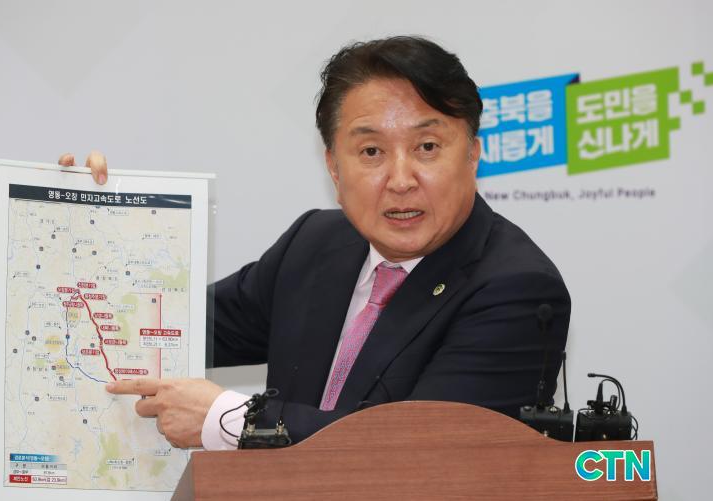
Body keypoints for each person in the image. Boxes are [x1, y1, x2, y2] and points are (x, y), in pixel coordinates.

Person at [61, 36, 570, 449]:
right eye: (371, 151)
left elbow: (420, 450)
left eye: (427, 146)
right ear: (333, 167)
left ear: (473, 154)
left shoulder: (517, 289)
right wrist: (80, 226)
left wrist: (227, 419)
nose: (400, 180)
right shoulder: (316, 243)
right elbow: (164, 325)